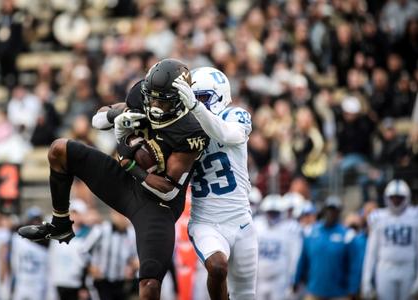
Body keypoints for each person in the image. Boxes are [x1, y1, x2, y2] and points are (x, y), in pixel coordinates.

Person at [19, 58, 209, 299]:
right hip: (125, 177)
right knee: (59, 149)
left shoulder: (192, 130)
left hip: (157, 204)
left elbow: (168, 189)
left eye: (163, 100)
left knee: (150, 284)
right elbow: (98, 118)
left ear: (181, 99)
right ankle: (60, 223)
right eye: (153, 97)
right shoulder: (141, 94)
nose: (155, 105)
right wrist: (116, 118)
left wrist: (129, 160)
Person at [171, 66, 258, 299]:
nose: (195, 102)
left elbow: (226, 135)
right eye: (193, 97)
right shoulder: (186, 129)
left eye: (201, 97)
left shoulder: (235, 116)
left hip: (241, 222)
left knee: (246, 294)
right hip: (206, 222)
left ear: (219, 96)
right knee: (217, 267)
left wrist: (196, 107)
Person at [293, 196, 362, 300]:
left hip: (339, 293)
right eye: (328, 210)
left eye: (334, 210)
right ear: (324, 210)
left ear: (339, 212)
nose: (331, 213)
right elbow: (303, 259)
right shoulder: (311, 232)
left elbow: (354, 265)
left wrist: (353, 289)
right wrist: (296, 279)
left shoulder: (347, 235)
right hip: (314, 290)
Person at [362, 179, 418, 300]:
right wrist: (366, 280)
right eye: (393, 197)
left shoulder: (414, 216)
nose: (396, 201)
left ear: (407, 198)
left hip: (407, 268)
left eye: (399, 197)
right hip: (385, 268)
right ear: (387, 198)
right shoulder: (378, 217)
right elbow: (371, 252)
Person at [254, 194, 301, 300]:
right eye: (270, 212)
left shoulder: (290, 229)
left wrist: (292, 278)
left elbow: (294, 256)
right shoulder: (257, 226)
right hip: (260, 278)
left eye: (275, 212)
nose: (272, 216)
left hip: (279, 279)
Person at [88, 209, 138, 300]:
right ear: (113, 215)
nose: (122, 218)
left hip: (121, 281)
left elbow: (133, 257)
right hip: (102, 280)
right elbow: (83, 250)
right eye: (119, 215)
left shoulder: (131, 233)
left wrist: (132, 268)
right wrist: (90, 267)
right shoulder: (101, 229)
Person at [11, 207, 49, 300]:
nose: (35, 223)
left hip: (38, 283)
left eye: (37, 220)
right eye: (33, 220)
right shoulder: (18, 239)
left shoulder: (47, 241)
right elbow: (14, 261)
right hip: (22, 282)